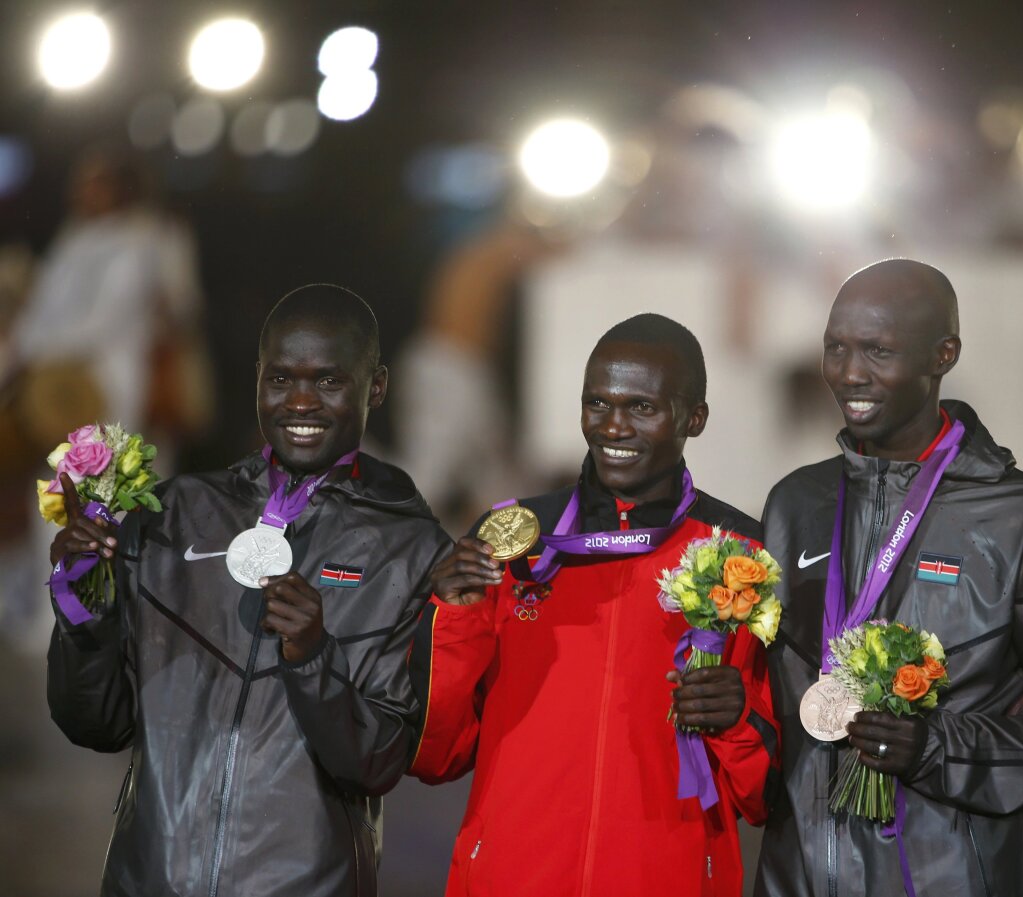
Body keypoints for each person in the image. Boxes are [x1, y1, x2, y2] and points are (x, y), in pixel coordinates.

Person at [754, 259, 1023, 897]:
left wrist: (940, 749)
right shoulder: (794, 505)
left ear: (943, 355)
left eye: (878, 351)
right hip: (799, 875)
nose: (850, 374)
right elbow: (772, 706)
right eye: (836, 348)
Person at [45, 284, 451, 897]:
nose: (302, 402)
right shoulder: (175, 513)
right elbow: (97, 724)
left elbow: (379, 761)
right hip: (149, 880)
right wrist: (82, 604)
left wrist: (314, 656)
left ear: (376, 387)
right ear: (258, 377)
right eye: (282, 380)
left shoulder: (412, 552)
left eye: (331, 382)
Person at [408, 313, 778, 897]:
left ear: (694, 418)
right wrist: (455, 616)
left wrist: (736, 721)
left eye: (641, 408)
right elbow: (437, 754)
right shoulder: (513, 540)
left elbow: (763, 797)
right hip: (512, 879)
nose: (613, 426)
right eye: (597, 404)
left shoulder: (742, 556)